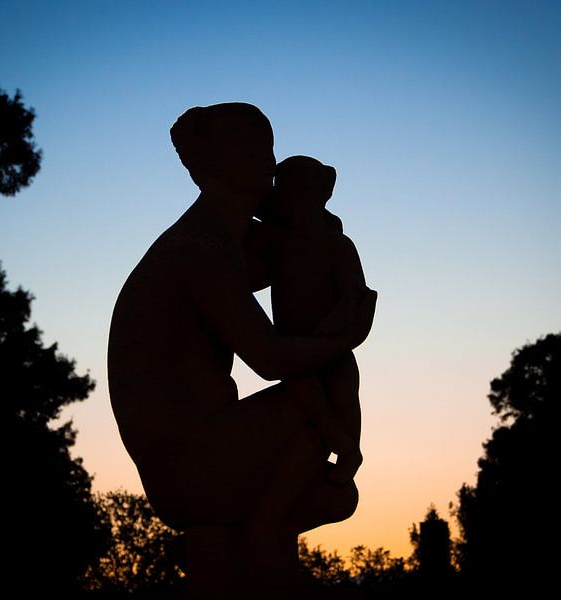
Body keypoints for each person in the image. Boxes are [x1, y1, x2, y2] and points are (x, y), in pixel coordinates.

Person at [107, 103, 376, 594]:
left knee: (336, 491)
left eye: (269, 152)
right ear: (215, 166)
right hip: (189, 466)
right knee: (330, 378)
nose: (271, 166)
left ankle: (261, 528)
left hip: (201, 451)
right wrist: (346, 337)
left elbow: (296, 248)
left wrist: (318, 227)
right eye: (256, 153)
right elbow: (270, 358)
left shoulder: (225, 242)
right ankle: (264, 530)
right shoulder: (199, 250)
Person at [252, 155, 367, 485]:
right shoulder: (277, 242)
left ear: (323, 192)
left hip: (331, 344)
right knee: (303, 388)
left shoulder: (338, 246)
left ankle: (348, 451)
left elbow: (355, 292)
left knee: (344, 384)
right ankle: (338, 443)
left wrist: (339, 319)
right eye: (285, 192)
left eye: (304, 190)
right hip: (292, 347)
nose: (295, 199)